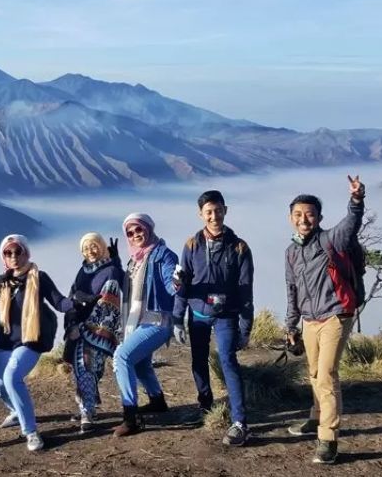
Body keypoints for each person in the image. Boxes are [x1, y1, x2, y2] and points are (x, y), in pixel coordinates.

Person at [284, 175, 365, 464]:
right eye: (297, 214)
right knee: (315, 373)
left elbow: (350, 223)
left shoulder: (332, 240)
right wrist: (291, 326)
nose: (303, 219)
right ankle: (316, 416)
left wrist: (356, 200)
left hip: (335, 315)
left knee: (327, 374)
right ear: (291, 218)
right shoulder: (292, 252)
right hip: (308, 320)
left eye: (309, 214)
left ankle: (327, 439)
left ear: (319, 217)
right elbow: (291, 290)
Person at [172, 190, 254, 447]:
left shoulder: (239, 247)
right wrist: (177, 317)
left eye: (218, 210)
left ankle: (240, 421)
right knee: (198, 360)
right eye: (208, 211)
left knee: (228, 361)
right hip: (197, 313)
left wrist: (246, 326)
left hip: (226, 314)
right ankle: (205, 405)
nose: (214, 215)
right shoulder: (191, 245)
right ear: (201, 215)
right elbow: (182, 284)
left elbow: (245, 289)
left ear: (225, 211)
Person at [0, 234, 74, 452]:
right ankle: (18, 411)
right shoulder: (3, 282)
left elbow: (60, 302)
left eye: (18, 251)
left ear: (26, 253)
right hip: (4, 340)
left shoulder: (39, 278)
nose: (14, 256)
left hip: (30, 340)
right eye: (8, 253)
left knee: (11, 378)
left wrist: (80, 302)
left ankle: (31, 432)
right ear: (4, 258)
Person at [112, 213, 179, 437]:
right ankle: (157, 400)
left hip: (157, 320)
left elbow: (171, 284)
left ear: (148, 229)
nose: (135, 235)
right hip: (139, 321)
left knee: (122, 357)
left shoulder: (163, 255)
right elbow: (131, 291)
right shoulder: (135, 260)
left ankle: (131, 418)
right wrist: (116, 265)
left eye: (138, 230)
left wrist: (177, 285)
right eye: (130, 233)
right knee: (139, 364)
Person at [63, 233, 123, 433]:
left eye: (95, 246)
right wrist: (71, 325)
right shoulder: (83, 271)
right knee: (83, 369)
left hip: (95, 329)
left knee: (88, 369)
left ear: (103, 247)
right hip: (78, 328)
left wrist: (83, 328)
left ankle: (87, 411)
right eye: (86, 248)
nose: (90, 251)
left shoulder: (111, 270)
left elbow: (109, 301)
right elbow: (72, 297)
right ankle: (87, 410)